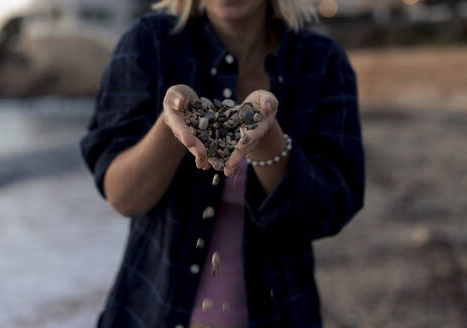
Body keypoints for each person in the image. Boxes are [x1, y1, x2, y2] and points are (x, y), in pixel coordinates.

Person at [80, 0, 365, 327]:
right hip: (150, 312)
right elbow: (123, 196)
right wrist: (171, 128)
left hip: (281, 312)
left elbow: (330, 210)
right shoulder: (150, 42)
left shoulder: (321, 60)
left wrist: (269, 142)